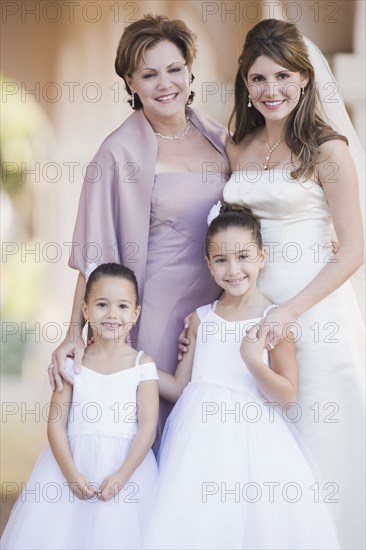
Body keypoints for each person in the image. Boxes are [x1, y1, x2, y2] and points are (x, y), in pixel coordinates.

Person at [49, 14, 229, 441]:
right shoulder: (116, 153)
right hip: (158, 314)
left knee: (209, 433)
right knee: (159, 430)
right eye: (149, 74)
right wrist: (73, 334)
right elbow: (93, 259)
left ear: (189, 71)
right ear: (130, 82)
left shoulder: (218, 136)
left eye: (174, 69)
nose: (165, 84)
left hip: (217, 312)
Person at [223, 19, 364, 549]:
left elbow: (353, 248)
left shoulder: (328, 151)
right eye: (258, 79)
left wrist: (289, 312)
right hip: (253, 315)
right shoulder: (238, 148)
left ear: (305, 80)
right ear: (245, 83)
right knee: (267, 451)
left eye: (283, 76)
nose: (271, 90)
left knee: (321, 442)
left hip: (316, 315)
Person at [143, 203, 340, 550]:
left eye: (244, 256)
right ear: (208, 264)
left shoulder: (273, 321)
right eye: (221, 260)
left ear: (262, 256)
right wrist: (136, 364)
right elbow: (178, 386)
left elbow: (287, 396)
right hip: (197, 446)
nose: (233, 269)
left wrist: (253, 360)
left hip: (255, 447)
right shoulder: (201, 318)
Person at [1, 263, 159, 550]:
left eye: (123, 306)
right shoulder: (73, 364)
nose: (112, 314)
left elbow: (147, 427)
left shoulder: (143, 366)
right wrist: (70, 474)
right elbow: (56, 423)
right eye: (102, 304)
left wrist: (122, 475)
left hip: (126, 470)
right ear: (85, 310)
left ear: (135, 314)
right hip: (71, 466)